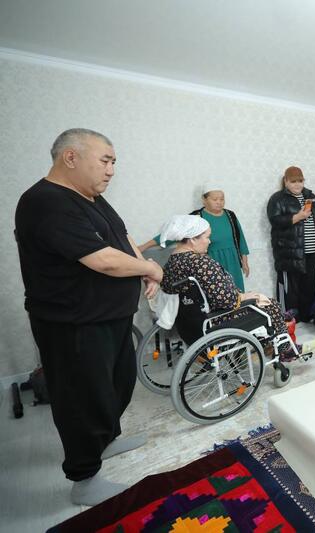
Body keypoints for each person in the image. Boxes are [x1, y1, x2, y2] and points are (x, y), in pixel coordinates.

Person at [15, 128, 163, 505]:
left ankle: (105, 442)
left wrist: (143, 269)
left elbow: (123, 239)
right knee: (82, 399)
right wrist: (152, 269)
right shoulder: (45, 201)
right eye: (106, 160)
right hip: (73, 324)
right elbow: (103, 260)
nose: (112, 170)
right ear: (71, 157)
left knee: (117, 385)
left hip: (110, 316)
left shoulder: (93, 198)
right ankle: (84, 479)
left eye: (114, 162)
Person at [158, 215, 315, 358]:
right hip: (216, 320)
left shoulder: (171, 263)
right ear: (193, 239)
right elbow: (226, 300)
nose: (209, 241)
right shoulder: (200, 262)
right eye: (207, 237)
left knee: (261, 301)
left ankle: (275, 329)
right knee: (269, 304)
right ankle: (286, 350)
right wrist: (244, 296)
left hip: (191, 323)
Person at [139, 185, 250, 290]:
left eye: (222, 199)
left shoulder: (230, 215)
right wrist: (144, 246)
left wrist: (244, 262)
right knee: (217, 291)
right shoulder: (196, 217)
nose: (219, 202)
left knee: (237, 291)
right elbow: (171, 235)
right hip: (210, 260)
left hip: (233, 261)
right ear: (204, 200)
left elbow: (240, 239)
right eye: (215, 199)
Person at [267, 166, 315, 321]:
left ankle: (307, 315)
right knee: (291, 290)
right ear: (286, 181)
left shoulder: (311, 196)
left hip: (311, 252)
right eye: (293, 181)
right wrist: (298, 217)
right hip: (290, 254)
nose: (297, 185)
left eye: (300, 181)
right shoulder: (277, 198)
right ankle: (289, 320)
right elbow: (275, 221)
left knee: (309, 286)